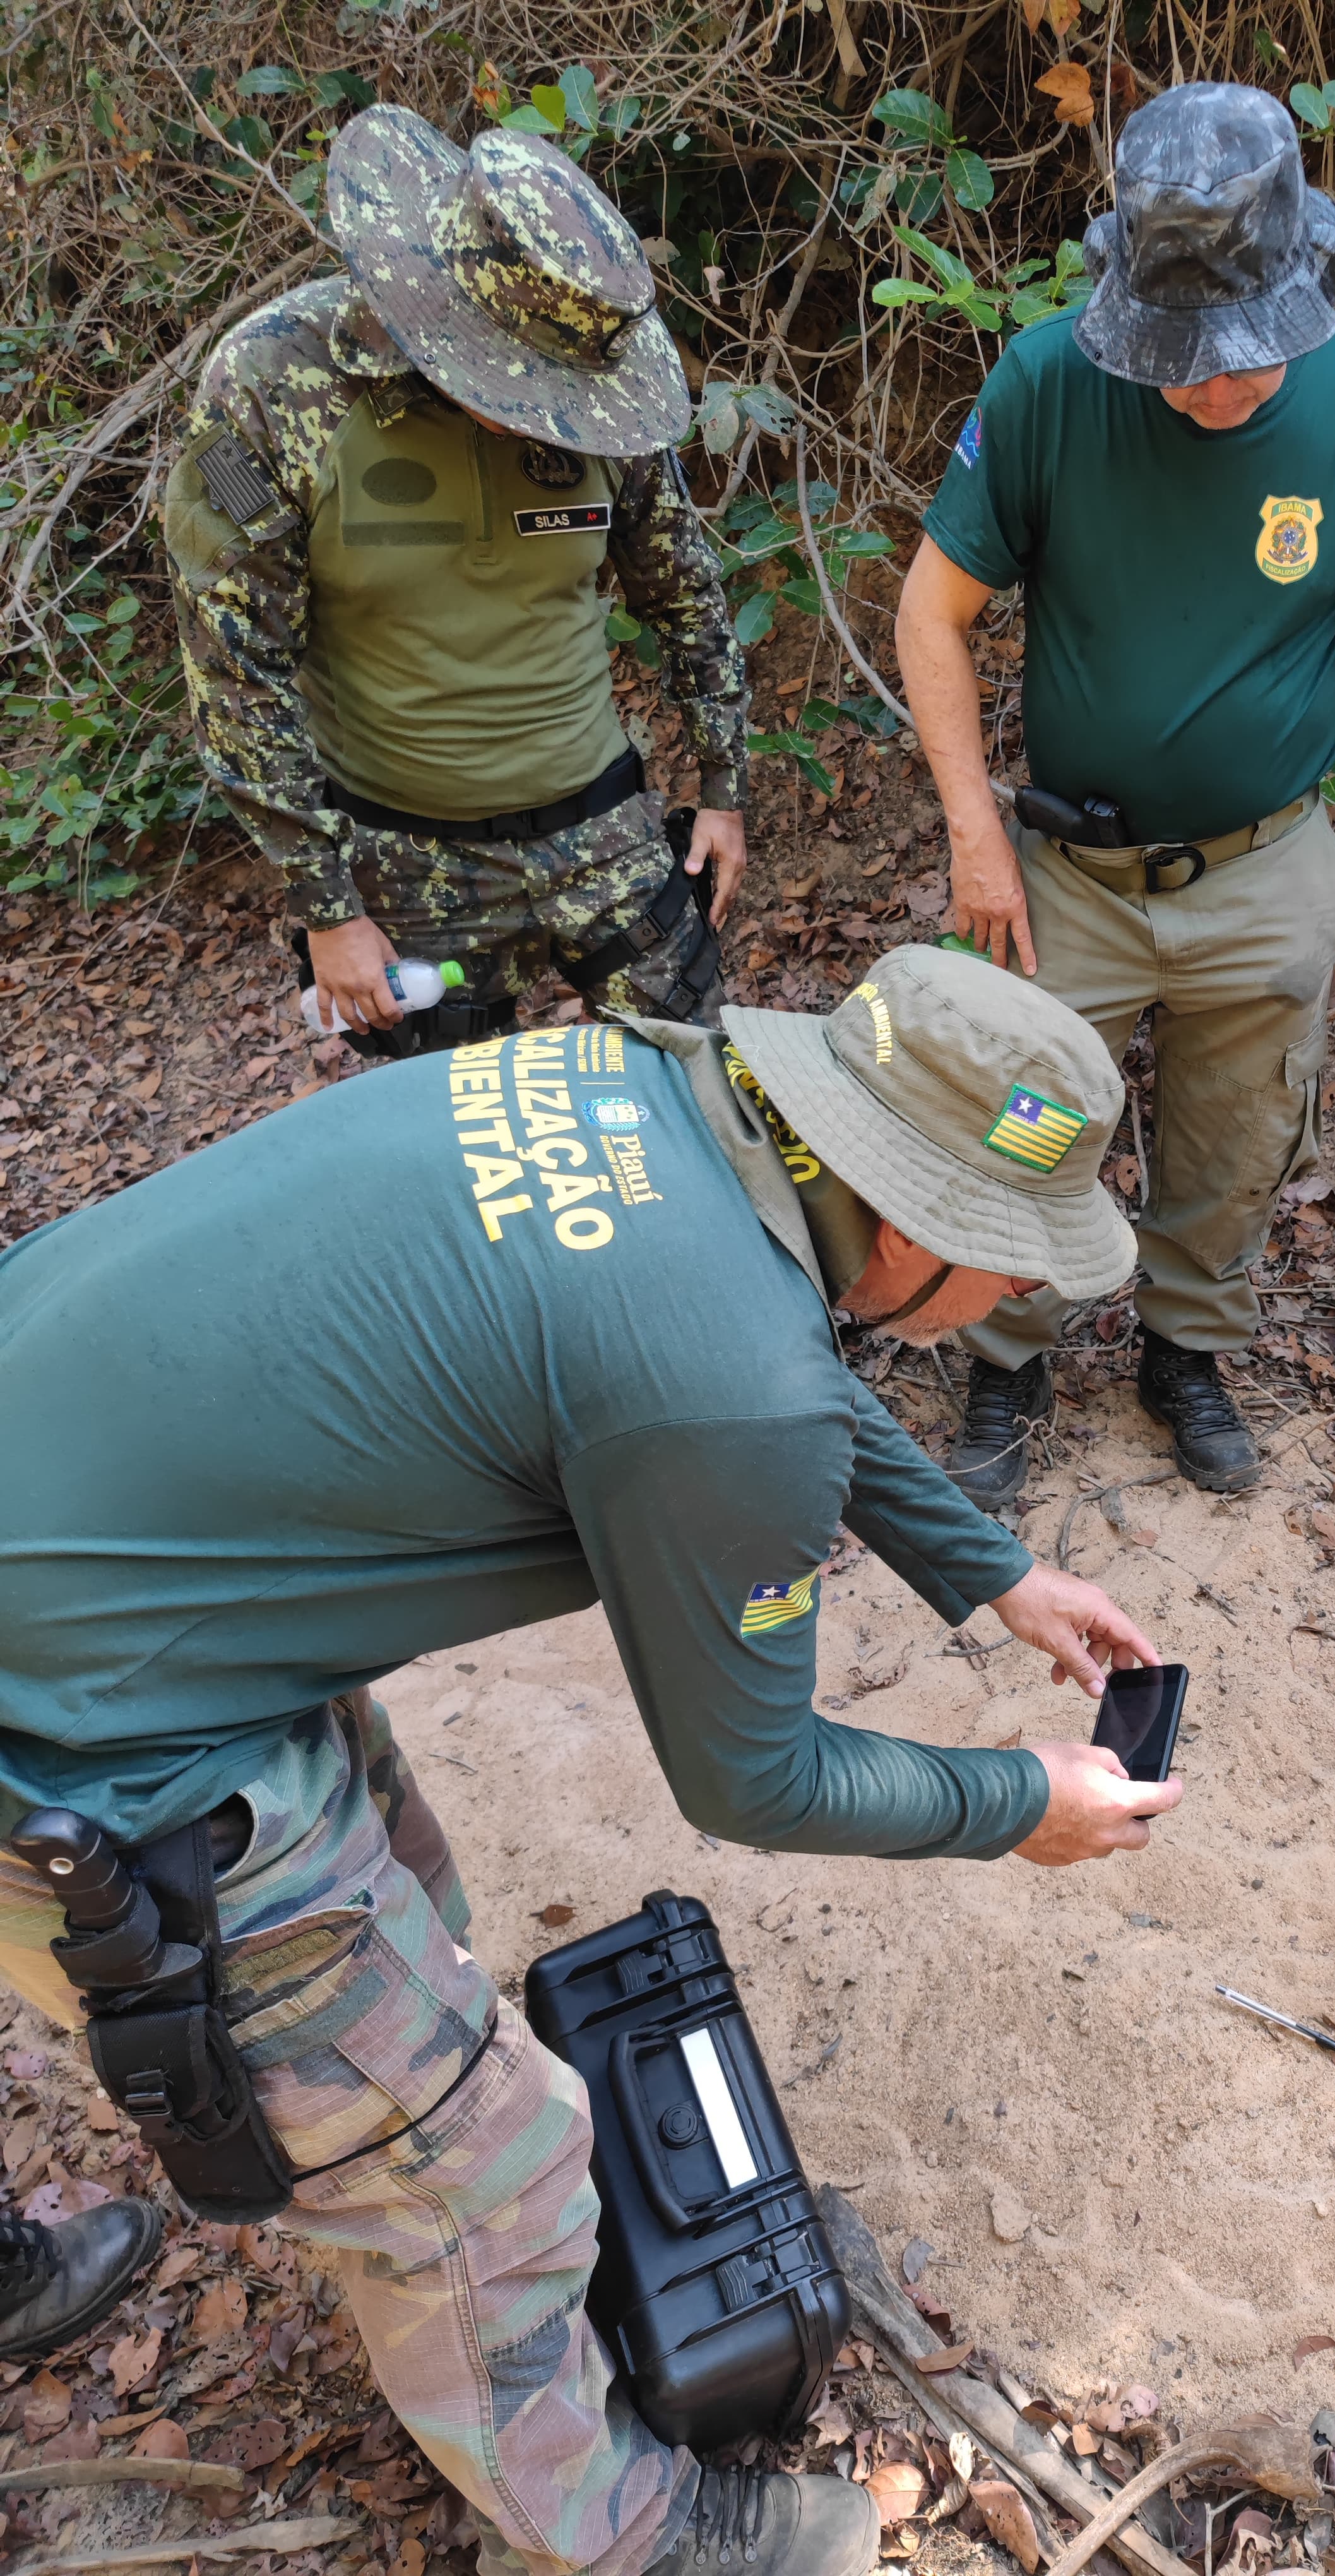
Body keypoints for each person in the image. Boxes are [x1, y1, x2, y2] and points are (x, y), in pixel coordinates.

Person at [0, 944, 1180, 2576]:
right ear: (905, 1223)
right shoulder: (732, 1386)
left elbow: (772, 1359)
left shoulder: (659, 1094)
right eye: (1008, 1260)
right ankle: (629, 2538)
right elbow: (751, 1779)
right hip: (80, 1733)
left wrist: (988, 1569)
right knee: (482, 2167)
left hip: (109, 1538)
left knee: (404, 1892)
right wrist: (1020, 1805)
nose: (1017, 1299)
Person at [897, 81, 1335, 1506]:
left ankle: (1186, 1352)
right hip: (1070, 873)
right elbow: (930, 614)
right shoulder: (1044, 383)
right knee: (1028, 1121)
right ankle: (1006, 1362)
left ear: (1299, 281)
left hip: (1271, 864)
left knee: (1242, 1129)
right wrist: (975, 836)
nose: (1210, 385)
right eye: (1180, 357)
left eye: (1241, 356)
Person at [166, 105, 748, 1058]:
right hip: (404, 857)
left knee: (699, 1102)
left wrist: (724, 786)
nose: (549, 414)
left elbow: (685, 590)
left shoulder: (597, 390)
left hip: (602, 829)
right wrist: (327, 908)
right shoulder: (275, 384)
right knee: (457, 1154)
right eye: (525, 384)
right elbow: (234, 672)